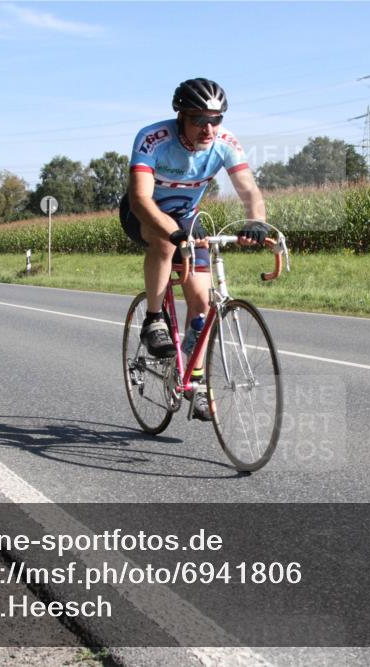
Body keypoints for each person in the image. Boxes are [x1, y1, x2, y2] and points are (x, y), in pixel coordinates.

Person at [120, 78, 268, 421]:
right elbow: (141, 199)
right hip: (144, 212)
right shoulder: (153, 139)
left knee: (201, 303)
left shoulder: (226, 143)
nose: (208, 128)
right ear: (181, 116)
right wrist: (173, 234)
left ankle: (195, 383)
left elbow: (249, 191)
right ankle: (154, 320)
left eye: (215, 120)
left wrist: (256, 222)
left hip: (187, 218)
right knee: (160, 240)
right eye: (199, 119)